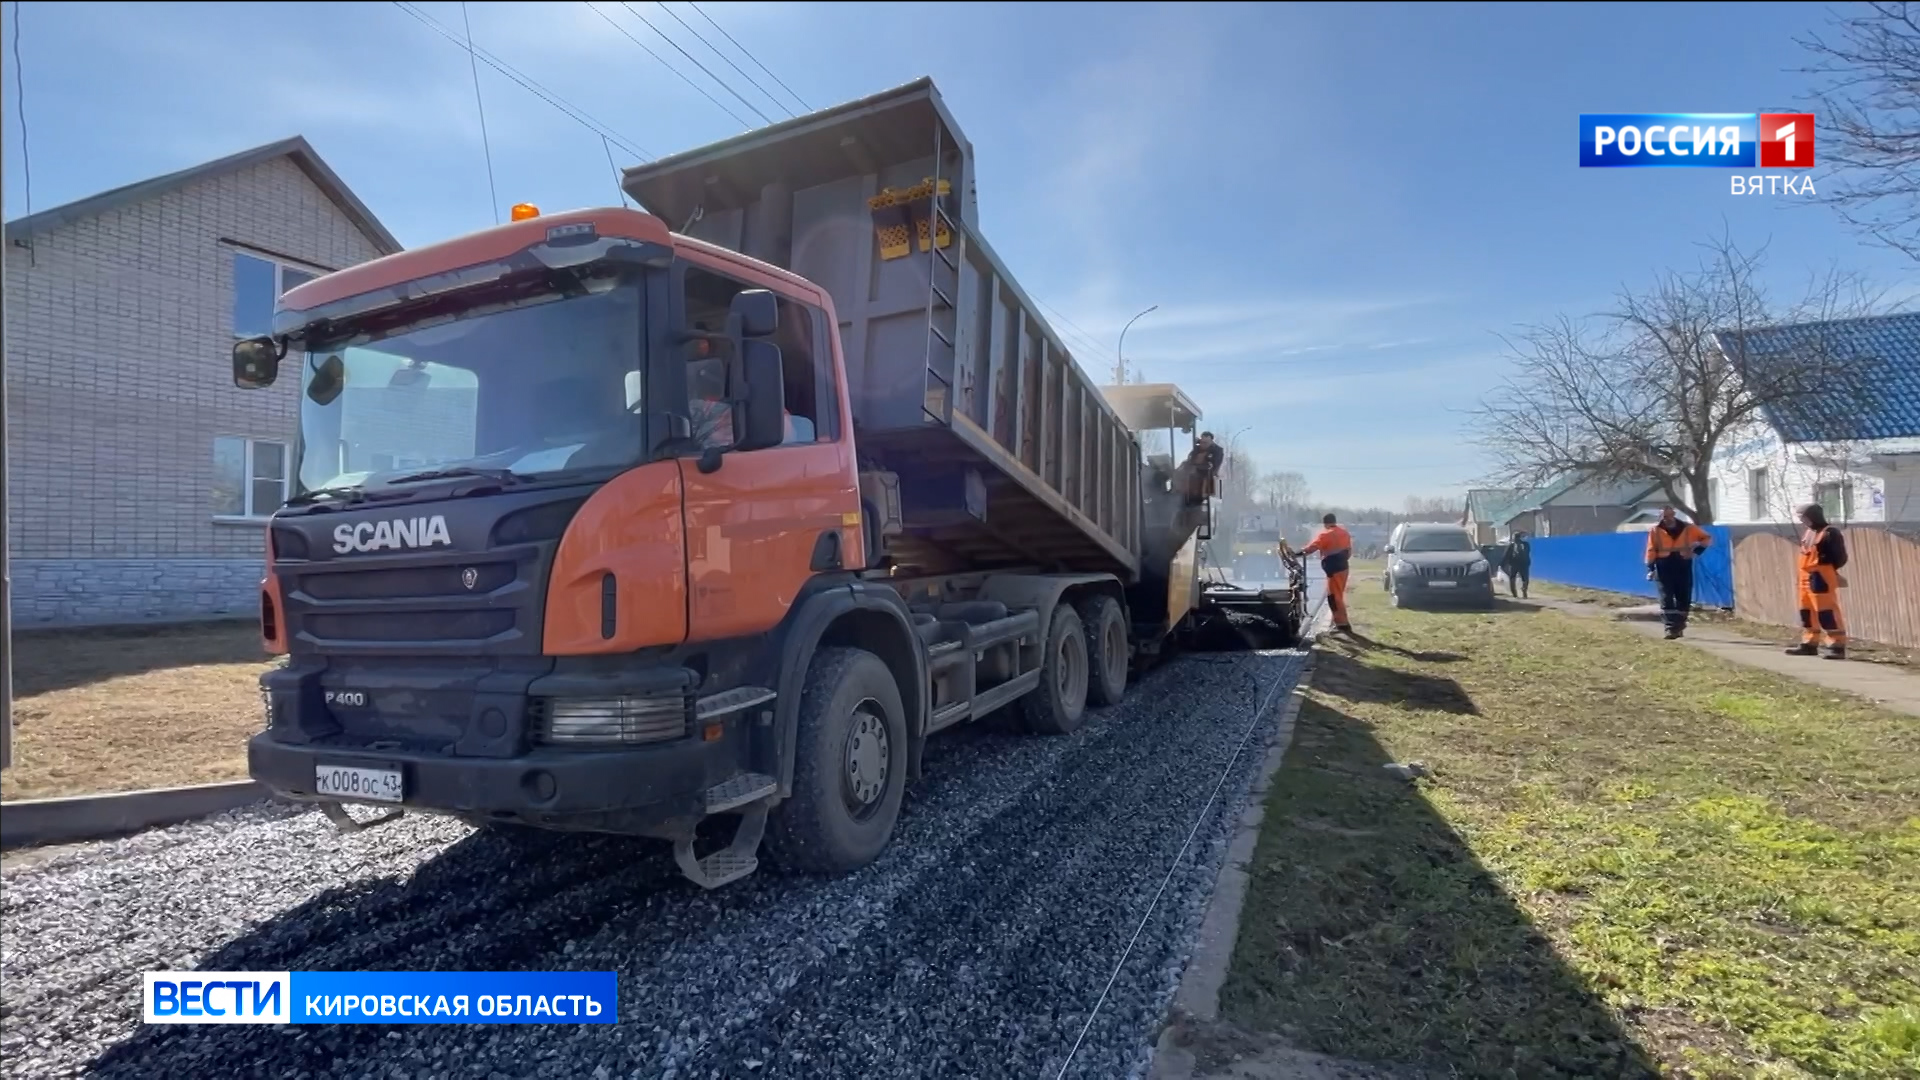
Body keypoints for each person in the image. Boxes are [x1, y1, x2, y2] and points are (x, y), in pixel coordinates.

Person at [1785, 503, 1849, 660]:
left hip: (1821, 575)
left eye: (1803, 517)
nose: (1802, 521)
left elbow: (1840, 557)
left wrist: (1827, 569)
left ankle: (1836, 645)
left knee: (1826, 611)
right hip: (1805, 576)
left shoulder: (1830, 533)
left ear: (1813, 516)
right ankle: (1809, 643)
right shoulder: (1809, 532)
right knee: (1806, 611)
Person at [1644, 507, 1712, 640]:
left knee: (1683, 596)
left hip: (1682, 563)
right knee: (1666, 597)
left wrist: (1696, 552)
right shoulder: (1655, 530)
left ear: (1674, 515)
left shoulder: (1688, 528)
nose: (1667, 519)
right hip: (1664, 565)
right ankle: (1670, 628)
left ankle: (1679, 625)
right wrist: (1650, 568)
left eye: (1669, 516)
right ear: (1660, 517)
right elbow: (1651, 549)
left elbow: (1706, 538)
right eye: (1664, 516)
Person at [1286, 512, 1354, 634]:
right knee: (1338, 595)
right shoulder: (1344, 533)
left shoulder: (1325, 534)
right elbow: (1349, 551)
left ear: (1325, 523)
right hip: (1343, 568)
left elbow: (1311, 548)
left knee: (1334, 597)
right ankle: (1337, 621)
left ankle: (1342, 625)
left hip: (1333, 569)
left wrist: (1296, 553)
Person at [1183, 432, 1225, 506]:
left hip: (1207, 473)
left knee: (1200, 477)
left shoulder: (1217, 450)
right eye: (1202, 442)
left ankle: (1201, 497)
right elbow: (1190, 459)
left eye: (1206, 442)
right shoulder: (1197, 449)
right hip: (1194, 471)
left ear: (1211, 441)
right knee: (1183, 472)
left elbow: (1216, 465)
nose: (1203, 444)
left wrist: (1204, 464)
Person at [1501, 531, 1532, 599]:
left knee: (1523, 579)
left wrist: (1502, 564)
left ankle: (1522, 591)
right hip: (1517, 564)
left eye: (1516, 538)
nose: (1515, 539)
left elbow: (1527, 553)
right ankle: (1516, 593)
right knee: (1515, 578)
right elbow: (1507, 555)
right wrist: (1502, 564)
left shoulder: (1523, 544)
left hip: (1521, 564)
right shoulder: (1513, 545)